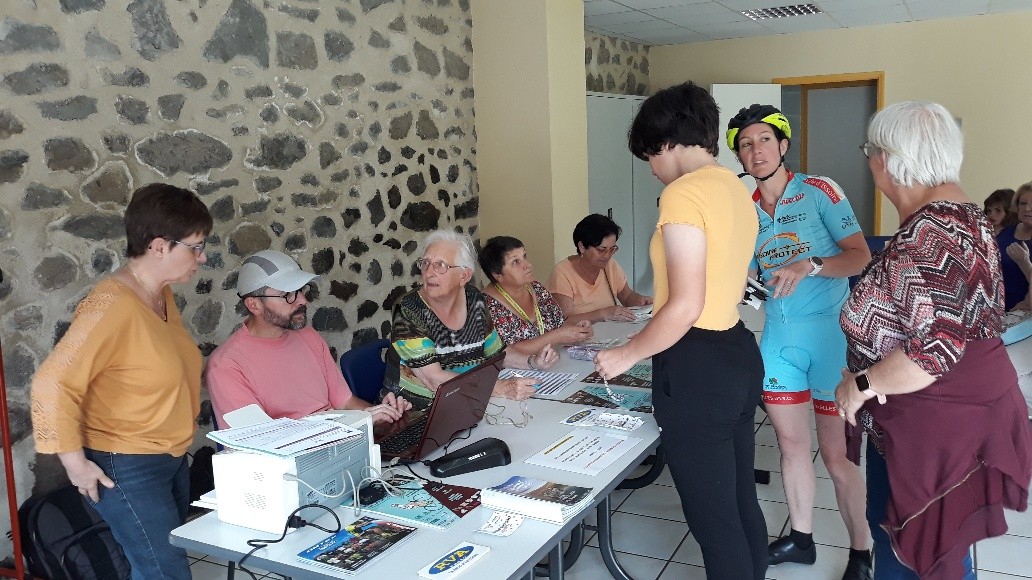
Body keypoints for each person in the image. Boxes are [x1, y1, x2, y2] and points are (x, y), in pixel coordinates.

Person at [836, 101, 1032, 579]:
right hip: (948, 416)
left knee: (915, 555)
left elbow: (934, 351)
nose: (869, 162)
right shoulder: (965, 214)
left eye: (868, 151)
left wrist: (859, 384)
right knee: (936, 550)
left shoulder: (928, 233)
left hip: (930, 425)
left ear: (887, 159)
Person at [595, 81, 767, 579]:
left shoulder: (683, 194)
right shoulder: (734, 186)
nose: (651, 168)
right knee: (740, 502)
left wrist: (627, 353)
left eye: (651, 154)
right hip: (736, 350)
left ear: (668, 141)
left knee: (715, 523)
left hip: (698, 366)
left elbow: (686, 304)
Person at [30, 183, 213, 580]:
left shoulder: (160, 296)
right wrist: (76, 465)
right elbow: (51, 384)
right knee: (165, 573)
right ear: (159, 246)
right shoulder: (110, 305)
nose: (202, 257)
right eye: (196, 247)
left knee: (155, 568)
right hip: (127, 464)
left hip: (168, 456)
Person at [726, 104, 873, 579]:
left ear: (783, 145)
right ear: (739, 156)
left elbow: (860, 256)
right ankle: (801, 540)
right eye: (746, 144)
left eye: (765, 140)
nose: (756, 150)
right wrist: (740, 285)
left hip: (830, 338)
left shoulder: (819, 190)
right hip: (778, 340)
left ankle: (861, 552)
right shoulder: (744, 209)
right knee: (791, 446)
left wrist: (811, 264)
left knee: (835, 455)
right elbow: (753, 280)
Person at [205, 250, 411, 428]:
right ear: (254, 305)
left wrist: (381, 415)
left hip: (341, 443)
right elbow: (262, 445)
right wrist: (351, 424)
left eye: (301, 291)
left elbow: (346, 402)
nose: (303, 300)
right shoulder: (226, 365)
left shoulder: (308, 336)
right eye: (288, 294)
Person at [382, 230, 557, 411]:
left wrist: (533, 362)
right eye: (425, 263)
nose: (429, 273)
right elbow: (433, 380)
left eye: (440, 265)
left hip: (470, 402)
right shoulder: (409, 308)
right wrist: (498, 388)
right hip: (417, 411)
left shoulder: (474, 300)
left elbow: (497, 353)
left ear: (464, 276)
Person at [478, 235, 593, 355]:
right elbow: (509, 353)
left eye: (524, 256)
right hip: (522, 367)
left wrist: (577, 329)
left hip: (553, 360)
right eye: (516, 262)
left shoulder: (536, 288)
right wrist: (559, 336)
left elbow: (559, 324)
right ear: (498, 275)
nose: (527, 265)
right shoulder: (488, 306)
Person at [548, 214, 653, 324]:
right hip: (580, 334)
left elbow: (627, 296)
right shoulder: (562, 273)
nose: (607, 256)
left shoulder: (611, 266)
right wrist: (603, 314)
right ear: (582, 247)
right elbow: (563, 321)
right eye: (601, 250)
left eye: (612, 249)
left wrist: (640, 301)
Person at [998, 183, 1032, 310]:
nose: (1027, 209)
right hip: (999, 310)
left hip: (1025, 314)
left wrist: (1024, 263)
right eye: (1023, 203)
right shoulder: (1004, 234)